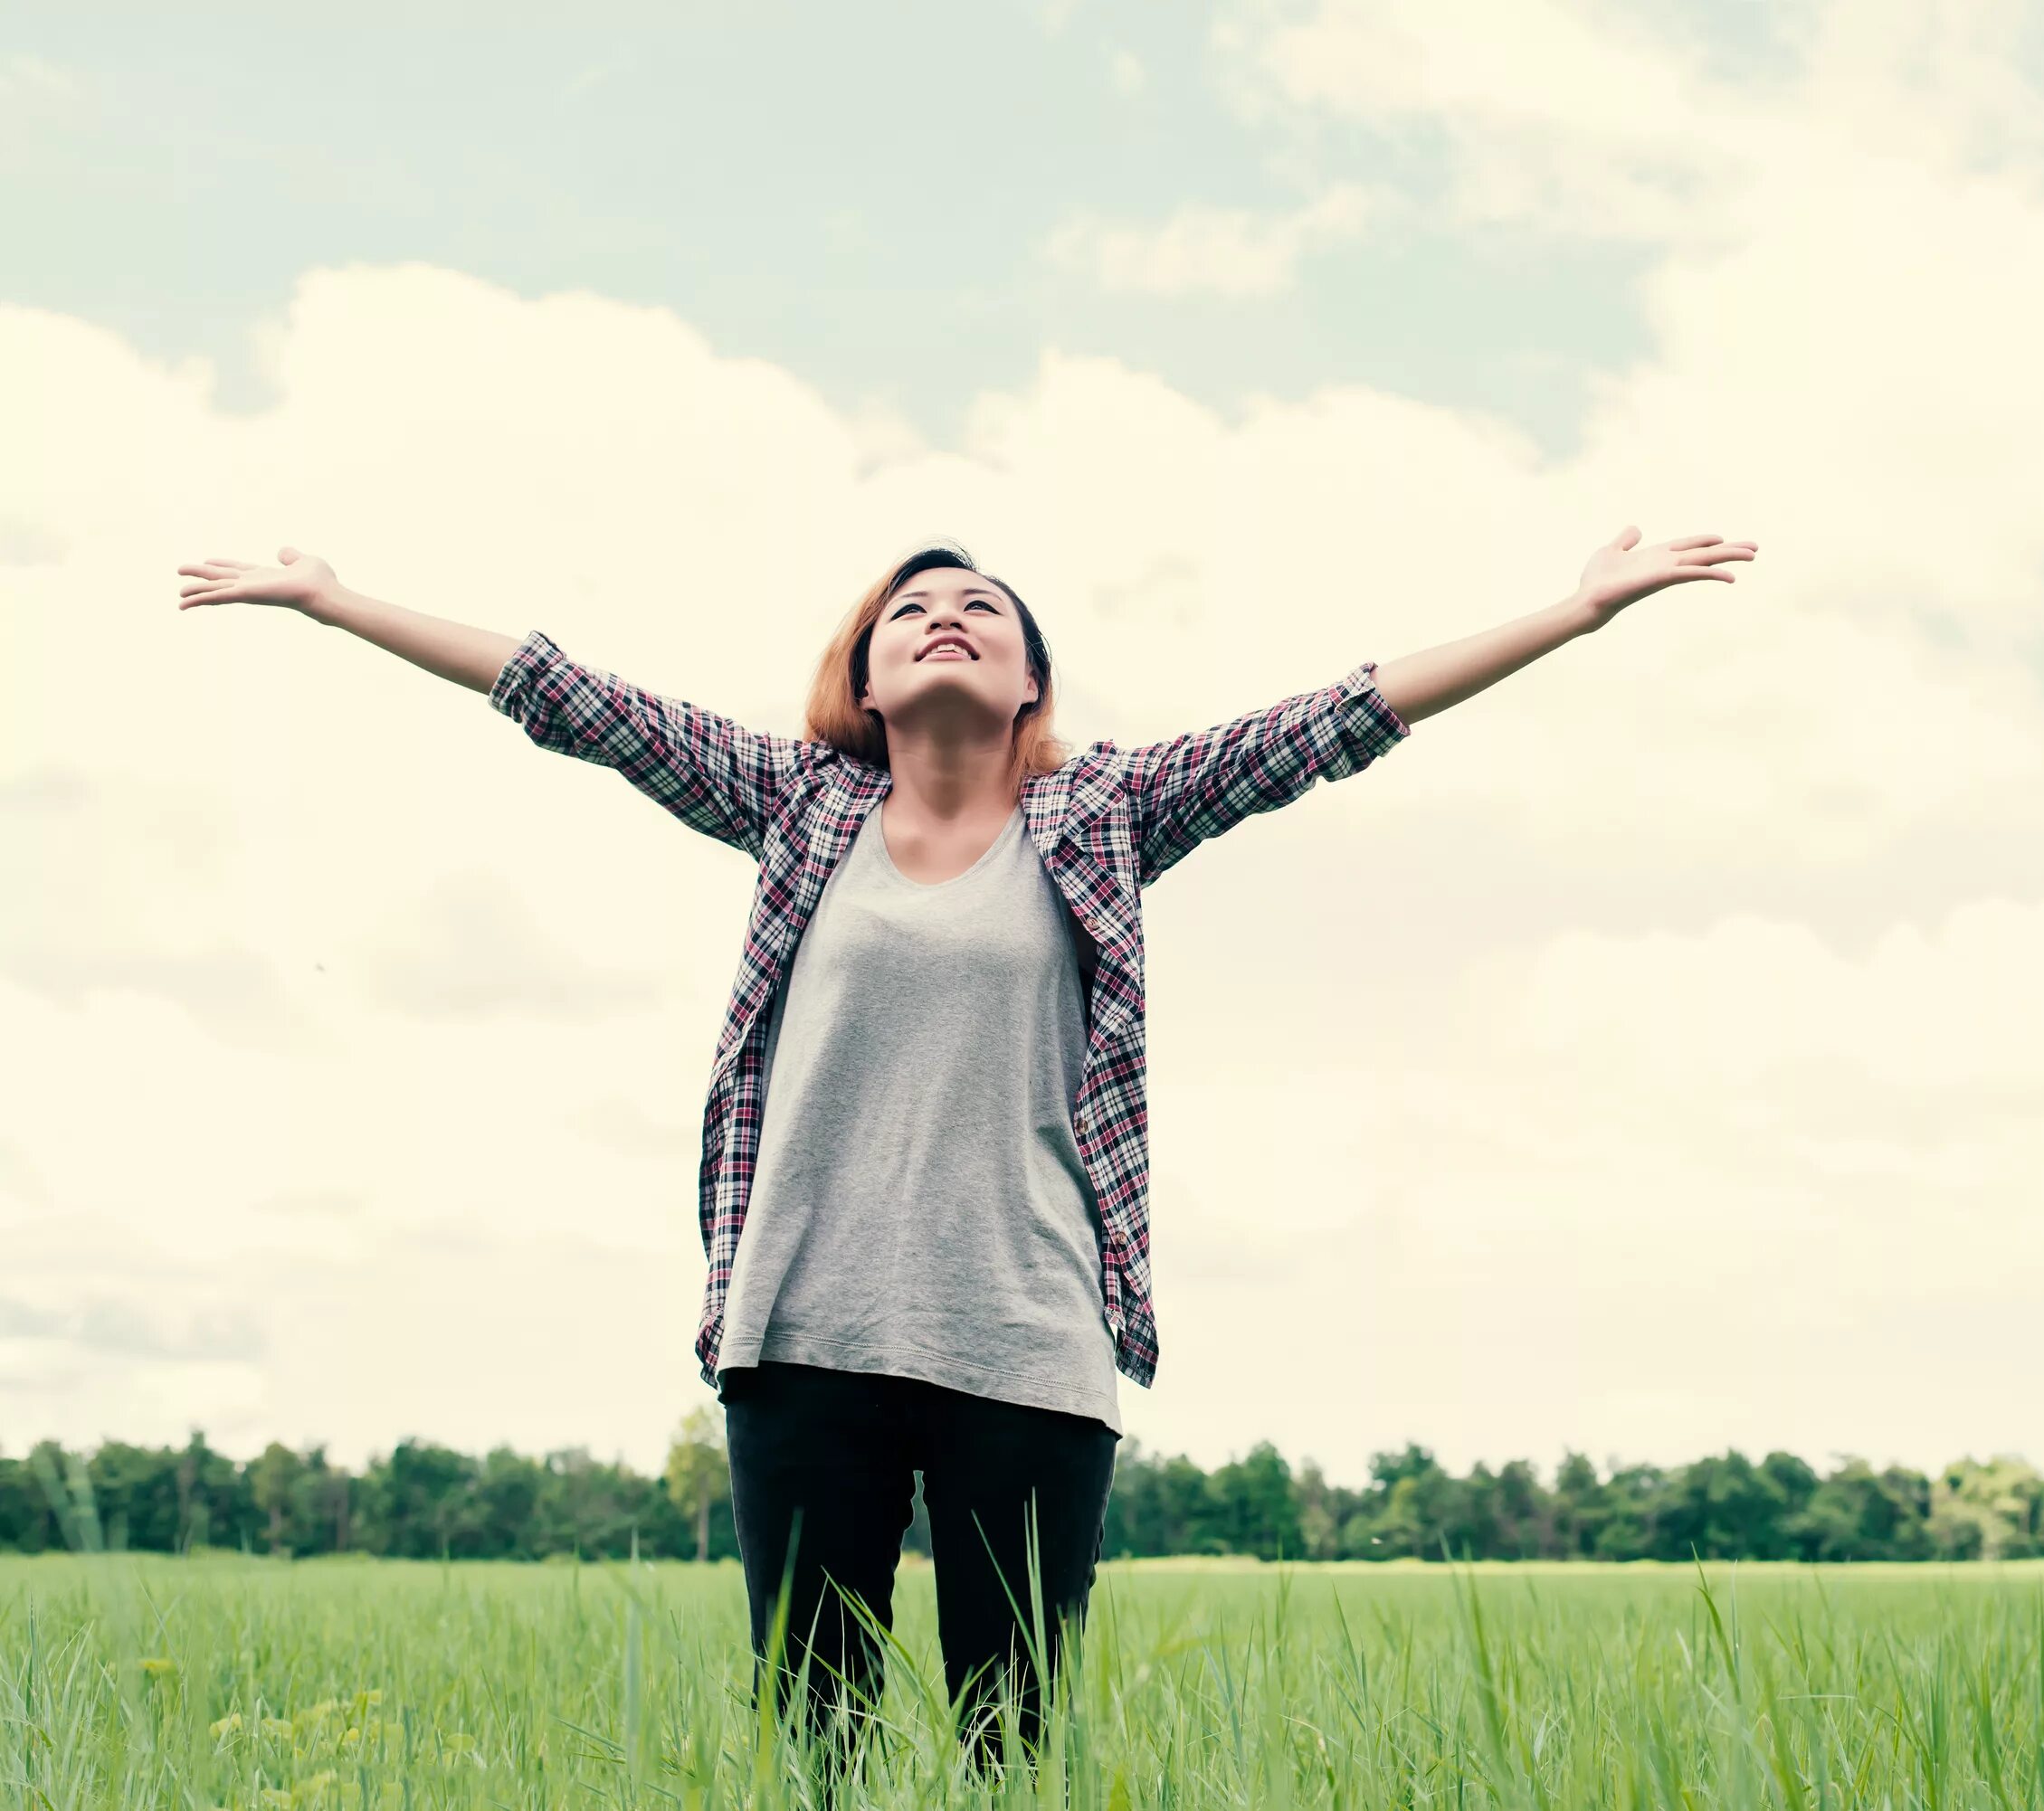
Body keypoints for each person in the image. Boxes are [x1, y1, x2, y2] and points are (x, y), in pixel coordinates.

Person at [171, 524, 1757, 1777]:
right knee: (820, 1752)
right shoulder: (797, 807)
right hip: (802, 1335)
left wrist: (1577, 610)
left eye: (987, 609)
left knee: (1012, 1753)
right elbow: (564, 694)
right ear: (863, 678)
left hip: (1029, 1347)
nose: (948, 613)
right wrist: (333, 600)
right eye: (913, 605)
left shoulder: (1109, 818)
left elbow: (1336, 720)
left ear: (1027, 690)